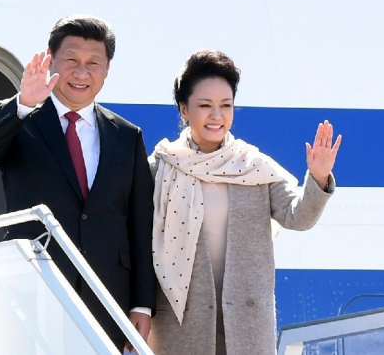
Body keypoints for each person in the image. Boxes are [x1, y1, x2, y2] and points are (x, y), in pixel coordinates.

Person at [0, 15, 155, 351]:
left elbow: (140, 224)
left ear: (107, 69)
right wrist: (23, 102)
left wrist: (141, 304)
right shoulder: (23, 119)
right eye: (71, 61)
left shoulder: (127, 136)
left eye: (93, 63)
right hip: (35, 291)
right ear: (51, 59)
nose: (81, 73)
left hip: (106, 298)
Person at [147, 50, 342, 354]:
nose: (217, 115)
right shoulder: (160, 168)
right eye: (205, 105)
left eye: (226, 105)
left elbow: (298, 216)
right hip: (181, 327)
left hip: (246, 325)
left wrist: (317, 179)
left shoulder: (252, 165)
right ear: (184, 110)